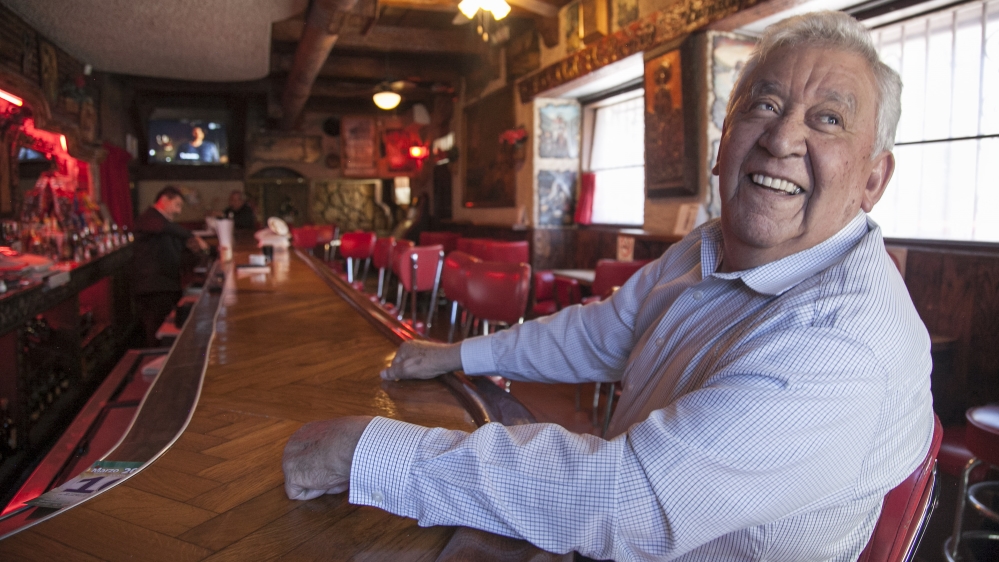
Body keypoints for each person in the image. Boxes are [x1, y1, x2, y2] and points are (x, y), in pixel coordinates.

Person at [282, 12, 935, 561]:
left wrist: (367, 452)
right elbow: (601, 332)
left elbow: (628, 499)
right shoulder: (706, 244)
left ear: (872, 180)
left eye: (827, 120)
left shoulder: (844, 339)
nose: (782, 137)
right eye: (762, 105)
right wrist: (457, 354)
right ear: (721, 144)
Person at [131, 186, 208, 346]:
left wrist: (195, 249)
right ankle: (154, 364)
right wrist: (193, 236)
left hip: (165, 285)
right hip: (153, 287)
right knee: (156, 332)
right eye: (177, 205)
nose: (179, 211)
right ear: (164, 200)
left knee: (164, 329)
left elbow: (177, 247)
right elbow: (166, 229)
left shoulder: (165, 224)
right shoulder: (149, 218)